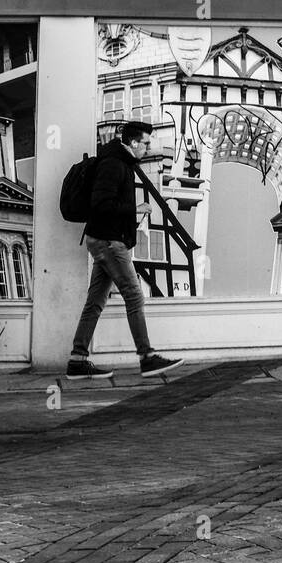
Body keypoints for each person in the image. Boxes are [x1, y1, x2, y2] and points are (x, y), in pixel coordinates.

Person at [66, 122, 183, 378]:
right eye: (146, 143)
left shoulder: (120, 163)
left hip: (105, 240)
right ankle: (147, 357)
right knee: (134, 294)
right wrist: (136, 209)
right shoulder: (114, 165)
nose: (148, 148)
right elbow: (101, 204)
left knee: (95, 301)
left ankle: (77, 360)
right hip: (109, 241)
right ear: (132, 143)